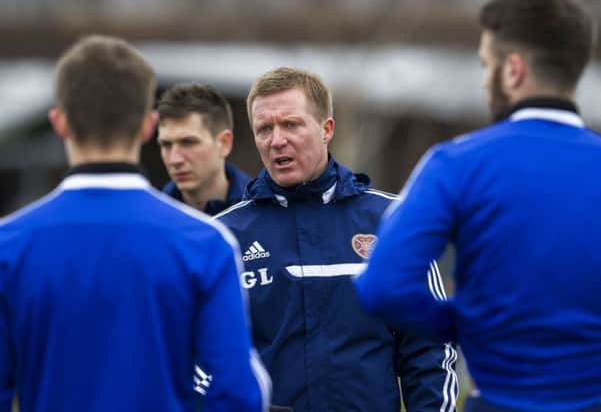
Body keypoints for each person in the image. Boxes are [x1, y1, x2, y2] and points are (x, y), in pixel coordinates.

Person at [355, 0, 601, 411]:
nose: (486, 80)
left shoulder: (455, 164)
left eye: (486, 65)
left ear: (514, 70)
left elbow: (383, 285)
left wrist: (460, 323)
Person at [0, 35, 270, 412]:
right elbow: (238, 392)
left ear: (59, 122)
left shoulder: (9, 247)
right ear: (148, 126)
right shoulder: (205, 243)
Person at [216, 67, 457, 412]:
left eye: (291, 124)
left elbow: (429, 348)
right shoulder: (224, 236)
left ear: (326, 129)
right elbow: (203, 358)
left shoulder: (392, 222)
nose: (276, 140)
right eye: (264, 129)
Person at [157, 83, 251, 215]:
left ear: (224, 143)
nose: (174, 160)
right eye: (166, 145)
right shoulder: (152, 217)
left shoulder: (262, 213)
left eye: (188, 142)